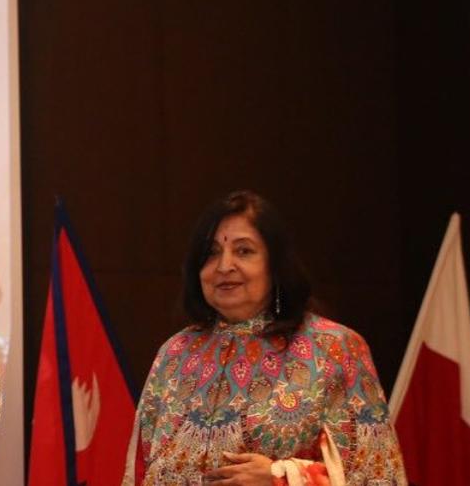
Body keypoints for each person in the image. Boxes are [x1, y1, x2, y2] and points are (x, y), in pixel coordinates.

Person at [125, 190, 407, 485]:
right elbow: (140, 471)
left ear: (275, 266)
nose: (224, 266)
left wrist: (283, 477)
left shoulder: (333, 349)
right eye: (211, 253)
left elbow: (379, 475)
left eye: (244, 251)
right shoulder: (175, 353)